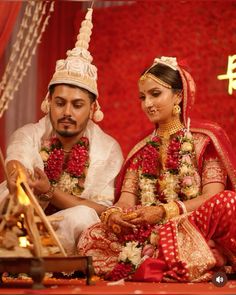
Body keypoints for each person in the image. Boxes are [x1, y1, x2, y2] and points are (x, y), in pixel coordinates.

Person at [78, 56, 236, 282]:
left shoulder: (204, 141)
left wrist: (165, 211)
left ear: (178, 96)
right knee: (92, 234)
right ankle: (183, 256)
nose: (147, 104)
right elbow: (126, 201)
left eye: (155, 94)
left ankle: (169, 256)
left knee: (229, 202)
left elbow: (213, 196)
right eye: (142, 97)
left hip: (193, 224)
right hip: (151, 233)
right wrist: (116, 215)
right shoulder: (140, 150)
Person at [0, 8, 123, 256]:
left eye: (77, 105)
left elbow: (100, 209)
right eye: (60, 102)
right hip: (24, 213)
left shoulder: (106, 148)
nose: (67, 111)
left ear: (93, 108)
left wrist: (49, 191)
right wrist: (18, 179)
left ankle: (28, 250)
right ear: (49, 102)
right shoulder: (30, 133)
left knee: (84, 216)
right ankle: (22, 246)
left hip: (63, 227)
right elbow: (18, 158)